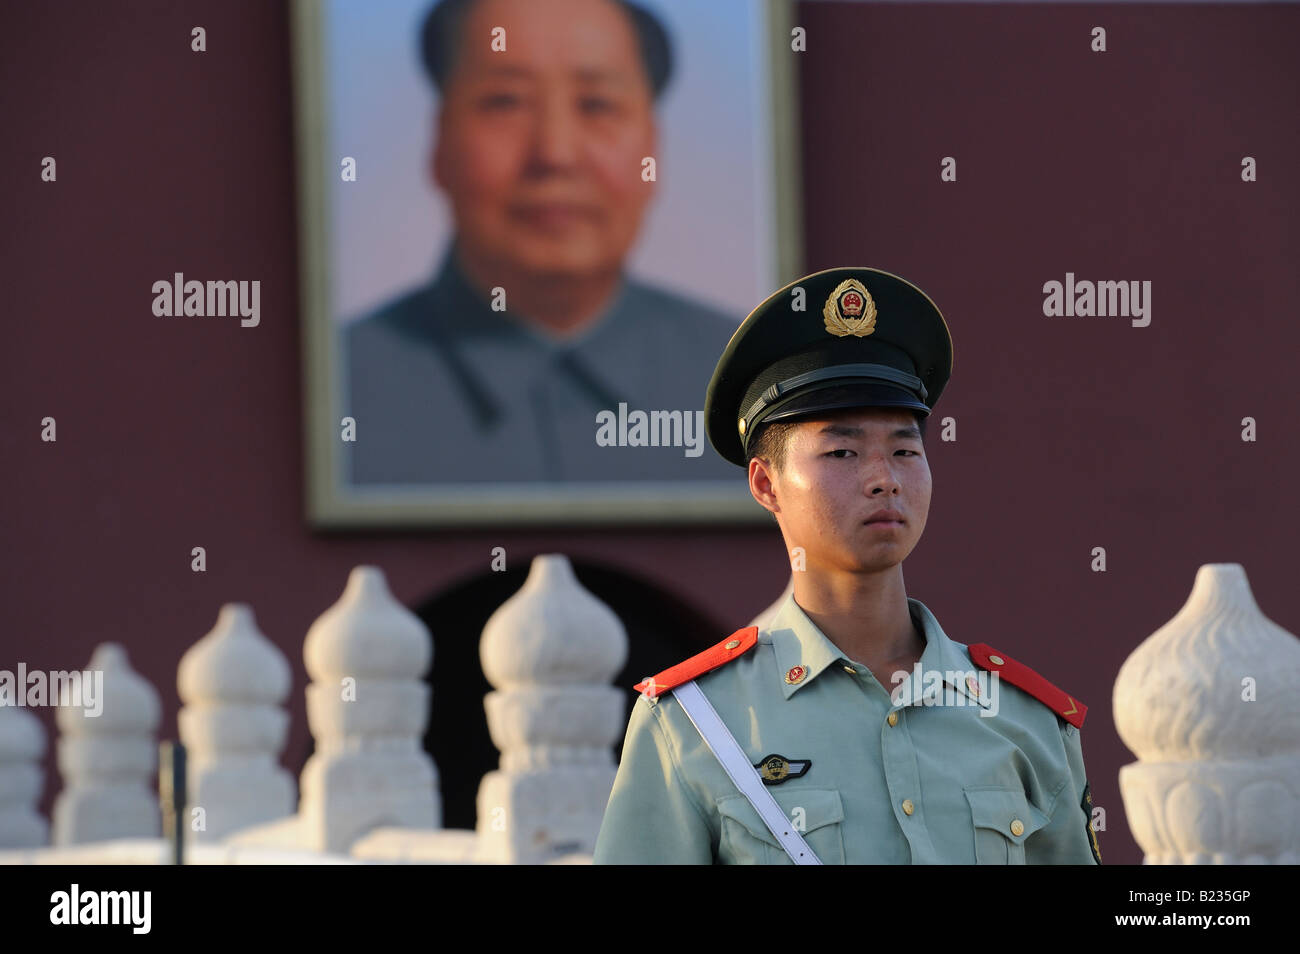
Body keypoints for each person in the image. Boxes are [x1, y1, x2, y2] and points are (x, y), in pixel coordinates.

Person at [593, 266, 1103, 864]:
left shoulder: (1025, 721)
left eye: (904, 449)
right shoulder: (696, 725)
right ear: (766, 483)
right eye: (842, 451)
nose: (884, 479)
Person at [344, 0, 739, 485]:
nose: (555, 153)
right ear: (440, 142)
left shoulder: (746, 384)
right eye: (505, 101)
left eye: (597, 105)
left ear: (653, 149)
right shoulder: (337, 393)